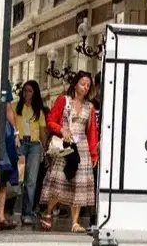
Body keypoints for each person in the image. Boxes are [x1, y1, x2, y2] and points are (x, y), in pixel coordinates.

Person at [39, 70, 98, 233]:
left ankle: (75, 222)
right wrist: (61, 129)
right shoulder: (63, 100)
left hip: (82, 147)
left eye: (88, 85)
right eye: (82, 84)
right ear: (75, 84)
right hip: (64, 146)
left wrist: (94, 154)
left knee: (79, 184)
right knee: (58, 180)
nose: (85, 87)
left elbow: (92, 132)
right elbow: (50, 119)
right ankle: (48, 212)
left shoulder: (90, 107)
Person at [14, 80, 46, 226]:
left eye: (30, 91)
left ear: (35, 93)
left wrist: (44, 148)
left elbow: (43, 130)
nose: (26, 93)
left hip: (34, 145)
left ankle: (27, 213)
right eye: (25, 90)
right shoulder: (16, 106)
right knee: (15, 178)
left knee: (31, 181)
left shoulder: (38, 110)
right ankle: (7, 211)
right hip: (19, 142)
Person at [0, 101, 20, 231]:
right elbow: (8, 109)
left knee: (3, 178)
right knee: (2, 177)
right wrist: (16, 133)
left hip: (3, 138)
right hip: (2, 139)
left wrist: (16, 133)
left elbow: (8, 109)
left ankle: (0, 217)